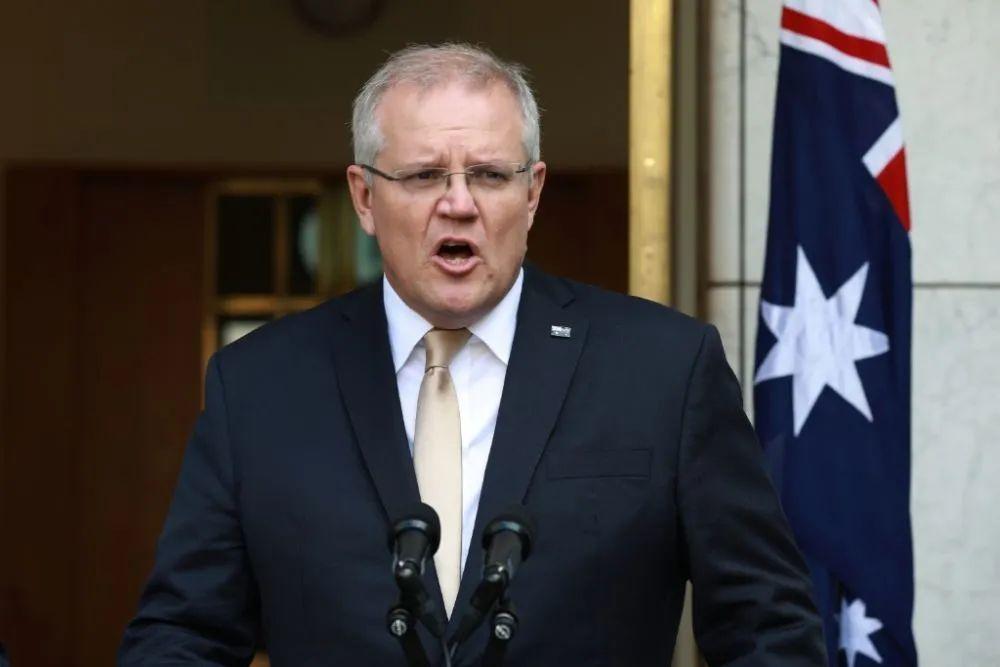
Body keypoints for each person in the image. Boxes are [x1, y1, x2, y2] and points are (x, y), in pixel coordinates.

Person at [120, 43, 826, 665]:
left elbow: (768, 628)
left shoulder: (664, 370)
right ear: (364, 197)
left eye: (489, 175)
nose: (458, 203)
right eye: (424, 176)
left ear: (533, 192)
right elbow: (184, 634)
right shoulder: (260, 385)